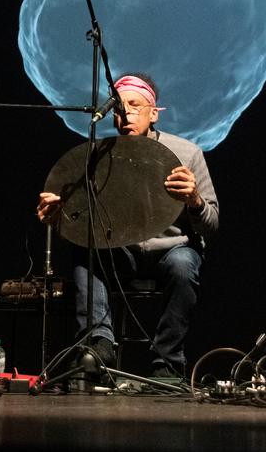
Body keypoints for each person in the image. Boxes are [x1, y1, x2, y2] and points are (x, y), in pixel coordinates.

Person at [37, 73, 219, 380]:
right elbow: (81, 223)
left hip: (170, 251)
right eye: (119, 109)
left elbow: (211, 225)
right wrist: (58, 217)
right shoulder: (97, 156)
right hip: (120, 251)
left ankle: (167, 363)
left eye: (135, 106)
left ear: (153, 112)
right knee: (85, 254)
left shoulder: (187, 154)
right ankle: (98, 344)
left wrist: (195, 201)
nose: (126, 115)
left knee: (184, 264)